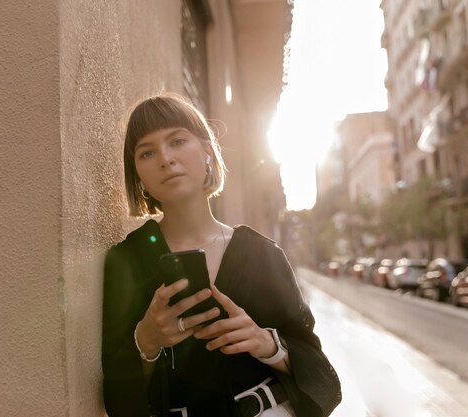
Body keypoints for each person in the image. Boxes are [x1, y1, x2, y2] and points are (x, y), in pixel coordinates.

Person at [102, 92, 341, 417]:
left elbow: (322, 374)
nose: (165, 158)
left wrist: (266, 343)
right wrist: (146, 341)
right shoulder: (126, 260)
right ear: (139, 177)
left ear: (207, 153)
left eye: (177, 141)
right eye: (147, 152)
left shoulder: (262, 253)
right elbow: (117, 402)